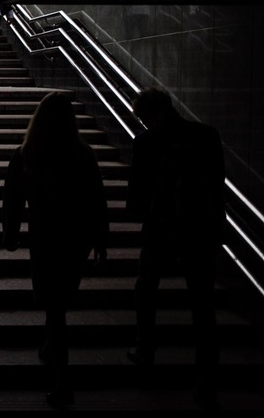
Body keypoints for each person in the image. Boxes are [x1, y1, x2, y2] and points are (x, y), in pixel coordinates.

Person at [2, 91, 108, 408]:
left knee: (55, 307)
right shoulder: (83, 154)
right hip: (76, 238)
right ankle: (51, 349)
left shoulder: (26, 153)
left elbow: (12, 200)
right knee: (59, 302)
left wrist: (10, 233)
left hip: (46, 238)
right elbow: (97, 198)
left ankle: (62, 379)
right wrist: (101, 238)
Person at [125, 87, 225, 409]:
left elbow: (138, 193)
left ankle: (145, 349)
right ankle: (206, 379)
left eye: (141, 117)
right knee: (202, 302)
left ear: (149, 114)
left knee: (147, 286)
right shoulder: (207, 135)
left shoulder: (146, 142)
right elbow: (217, 181)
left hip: (162, 227)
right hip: (200, 229)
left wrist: (142, 214)